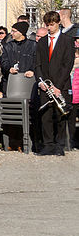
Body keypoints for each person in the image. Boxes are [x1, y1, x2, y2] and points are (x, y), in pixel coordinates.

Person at [34, 10, 76, 156]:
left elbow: (67, 64)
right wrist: (41, 82)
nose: (49, 27)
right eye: (47, 25)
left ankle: (60, 145)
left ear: (58, 23)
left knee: (60, 117)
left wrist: (58, 86)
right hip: (45, 86)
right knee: (46, 116)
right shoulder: (42, 42)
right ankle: (48, 145)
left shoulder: (67, 41)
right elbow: (37, 64)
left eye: (52, 24)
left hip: (61, 86)